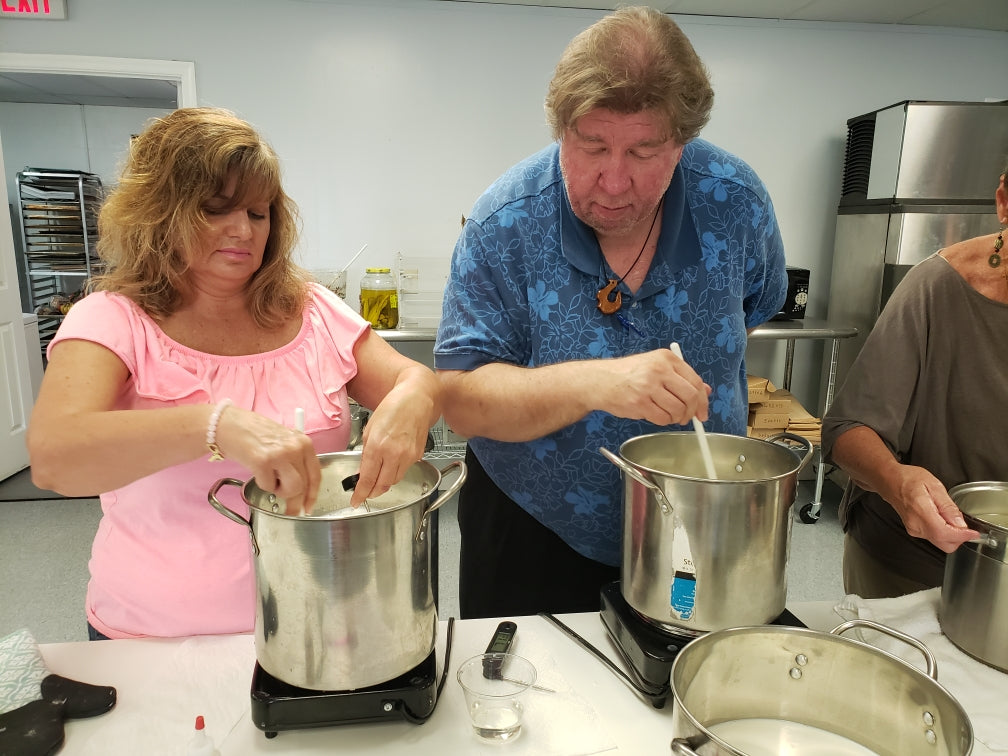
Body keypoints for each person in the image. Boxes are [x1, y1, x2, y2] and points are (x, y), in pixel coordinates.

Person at [26, 107, 441, 640]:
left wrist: (414, 396)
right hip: (152, 638)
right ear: (160, 212)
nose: (243, 230)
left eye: (258, 212)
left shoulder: (312, 309)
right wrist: (216, 426)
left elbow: (414, 380)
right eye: (214, 209)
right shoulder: (112, 319)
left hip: (314, 627)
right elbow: (55, 458)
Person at [434, 7, 787, 618]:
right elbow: (460, 399)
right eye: (592, 146)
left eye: (645, 151)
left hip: (701, 516)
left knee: (690, 667)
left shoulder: (736, 204)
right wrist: (599, 382)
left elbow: (754, 307)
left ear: (682, 142)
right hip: (533, 523)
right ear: (560, 130)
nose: (615, 181)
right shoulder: (505, 224)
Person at [820, 165, 1008, 599]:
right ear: (1004, 202)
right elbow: (847, 431)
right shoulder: (937, 288)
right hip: (916, 568)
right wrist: (896, 480)